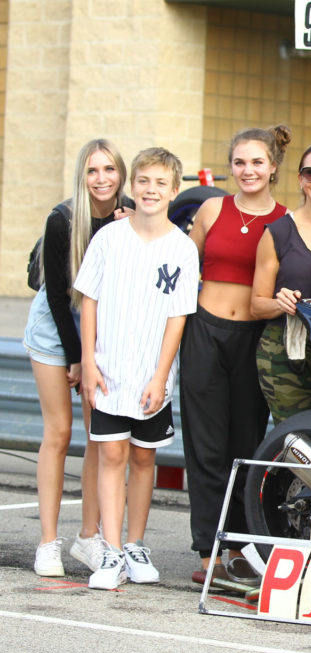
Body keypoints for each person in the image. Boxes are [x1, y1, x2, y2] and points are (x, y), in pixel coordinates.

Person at [74, 147, 199, 590]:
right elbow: (88, 301)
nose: (150, 189)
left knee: (144, 456)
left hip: (151, 374)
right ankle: (109, 550)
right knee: (111, 453)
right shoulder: (108, 238)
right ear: (133, 185)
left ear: (173, 190)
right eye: (143, 181)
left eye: (160, 183)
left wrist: (161, 375)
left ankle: (135, 543)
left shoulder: (183, 248)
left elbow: (177, 317)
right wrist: (88, 361)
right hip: (108, 369)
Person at [182, 125, 290, 584]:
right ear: (231, 167)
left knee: (246, 447)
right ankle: (209, 551)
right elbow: (179, 266)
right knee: (205, 446)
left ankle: (242, 548)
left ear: (273, 168)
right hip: (204, 333)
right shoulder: (211, 209)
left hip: (255, 340)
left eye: (257, 162)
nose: (248, 170)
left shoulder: (286, 220)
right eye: (240, 162)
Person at [25, 139, 132, 577]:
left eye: (109, 169)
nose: (102, 179)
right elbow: (55, 296)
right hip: (57, 328)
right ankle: (47, 542)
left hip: (103, 331)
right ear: (82, 176)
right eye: (93, 171)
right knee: (59, 432)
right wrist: (76, 358)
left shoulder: (131, 215)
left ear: (121, 174)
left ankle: (88, 538)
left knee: (99, 436)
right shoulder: (64, 219)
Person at [251, 142, 311, 423]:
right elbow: (256, 306)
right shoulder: (278, 232)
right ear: (300, 178)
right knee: (296, 440)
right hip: (285, 350)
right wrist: (280, 303)